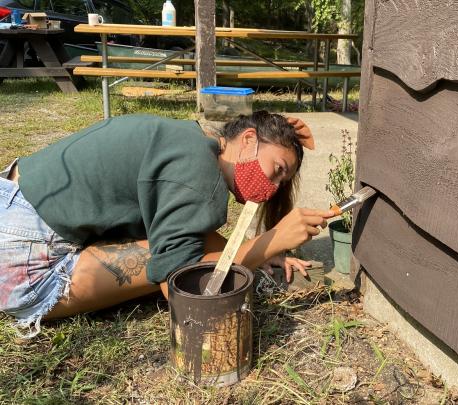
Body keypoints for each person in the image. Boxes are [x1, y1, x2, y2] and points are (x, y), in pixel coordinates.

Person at [0, 110, 334, 337]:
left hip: (12, 205)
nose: (272, 188)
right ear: (248, 139)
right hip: (23, 257)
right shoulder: (198, 178)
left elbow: (187, 231)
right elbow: (183, 284)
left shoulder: (190, 143)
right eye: (277, 169)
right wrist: (270, 242)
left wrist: (262, 254)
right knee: (176, 266)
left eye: (281, 182)